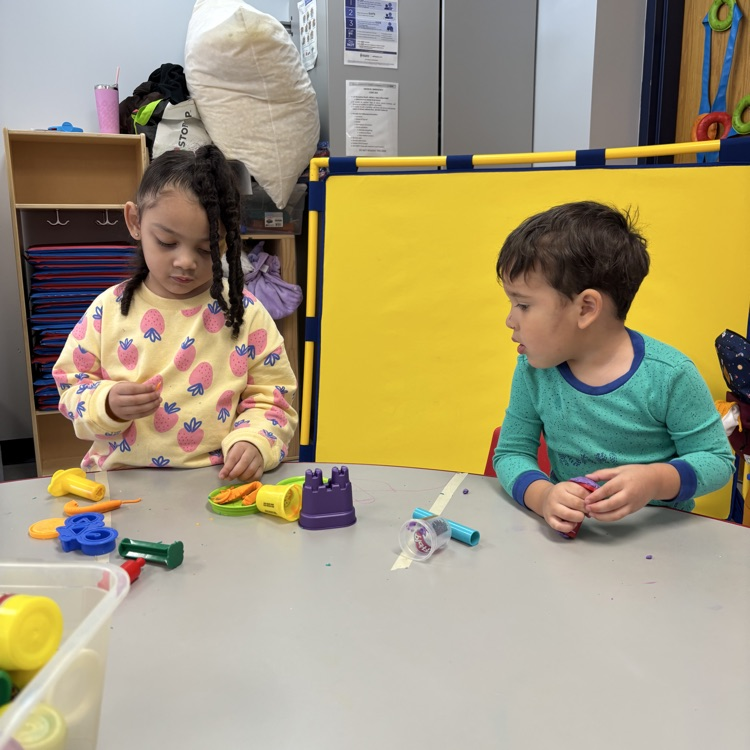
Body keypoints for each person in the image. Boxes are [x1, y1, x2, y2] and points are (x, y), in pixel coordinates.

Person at [53, 145, 298, 482]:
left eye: (205, 248)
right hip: (123, 485)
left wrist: (254, 440)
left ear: (225, 244)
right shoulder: (106, 311)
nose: (186, 261)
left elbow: (273, 398)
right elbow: (71, 389)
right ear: (135, 221)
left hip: (216, 483)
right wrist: (105, 403)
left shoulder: (246, 314)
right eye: (167, 242)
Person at [493, 200, 734, 535]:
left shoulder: (670, 374)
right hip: (572, 545)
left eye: (522, 304)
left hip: (658, 544)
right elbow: (510, 453)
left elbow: (717, 461)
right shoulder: (533, 370)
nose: (509, 320)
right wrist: (544, 496)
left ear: (586, 308)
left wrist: (654, 481)